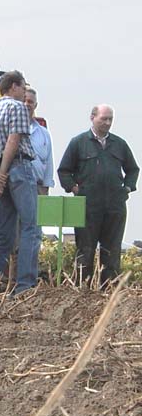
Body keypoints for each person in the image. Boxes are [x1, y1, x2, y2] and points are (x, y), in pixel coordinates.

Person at [58, 104, 139, 285]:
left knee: (112, 251)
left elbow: (133, 170)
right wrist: (74, 188)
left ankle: (110, 290)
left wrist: (127, 188)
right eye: (104, 119)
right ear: (92, 117)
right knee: (85, 250)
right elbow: (64, 171)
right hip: (87, 206)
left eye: (110, 119)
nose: (108, 123)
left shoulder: (119, 144)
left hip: (114, 206)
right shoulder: (78, 143)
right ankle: (83, 290)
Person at [0, 71, 38, 295]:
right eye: (23, 87)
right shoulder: (18, 108)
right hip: (19, 169)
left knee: (4, 231)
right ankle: (25, 285)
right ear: (14, 86)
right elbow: (14, 142)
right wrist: (3, 174)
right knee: (30, 227)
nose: (24, 92)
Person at [25, 89, 54, 196]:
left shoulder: (43, 133)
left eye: (30, 102)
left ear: (35, 105)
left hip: (38, 187)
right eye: (24, 100)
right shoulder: (9, 127)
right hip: (15, 187)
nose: (27, 104)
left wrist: (46, 187)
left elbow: (48, 162)